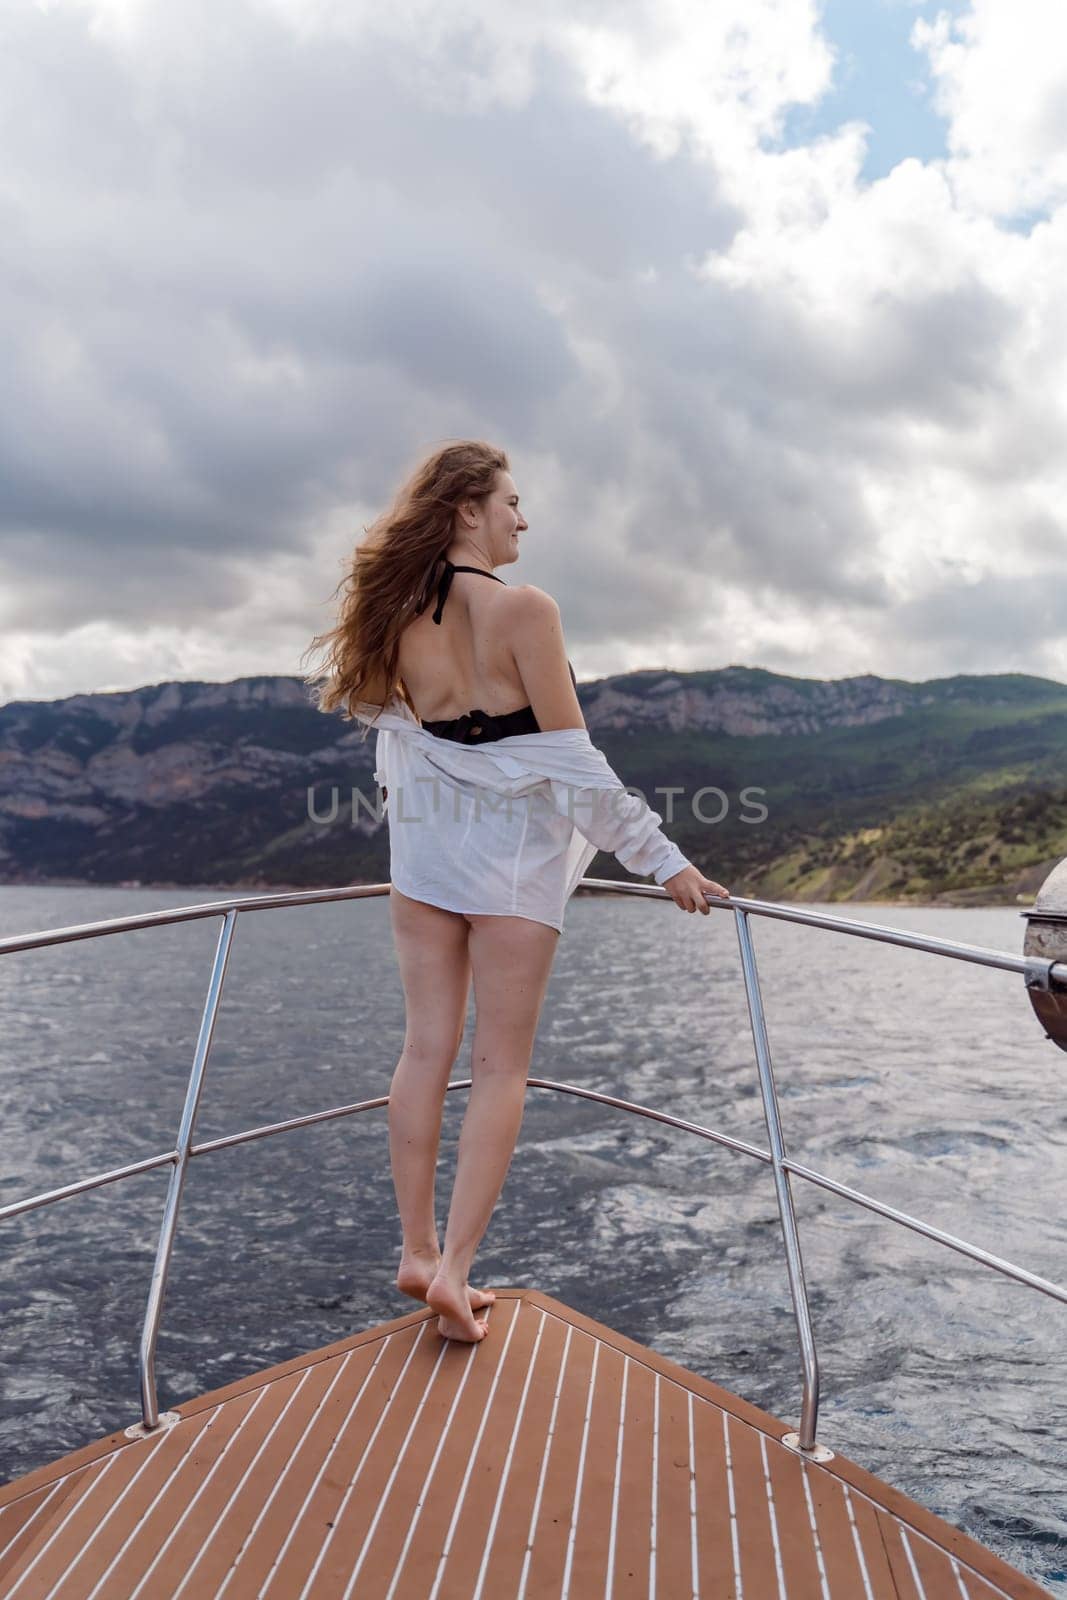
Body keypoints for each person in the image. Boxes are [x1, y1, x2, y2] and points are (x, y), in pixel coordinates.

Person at [304, 440, 729, 1342]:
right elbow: (576, 770)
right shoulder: (525, 611)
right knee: (499, 1069)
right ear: (467, 509)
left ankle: (415, 1250)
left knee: (424, 1052)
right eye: (510, 502)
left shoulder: (393, 618)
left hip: (423, 862)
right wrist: (667, 864)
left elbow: (404, 742)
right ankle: (454, 1272)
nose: (522, 519)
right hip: (508, 867)